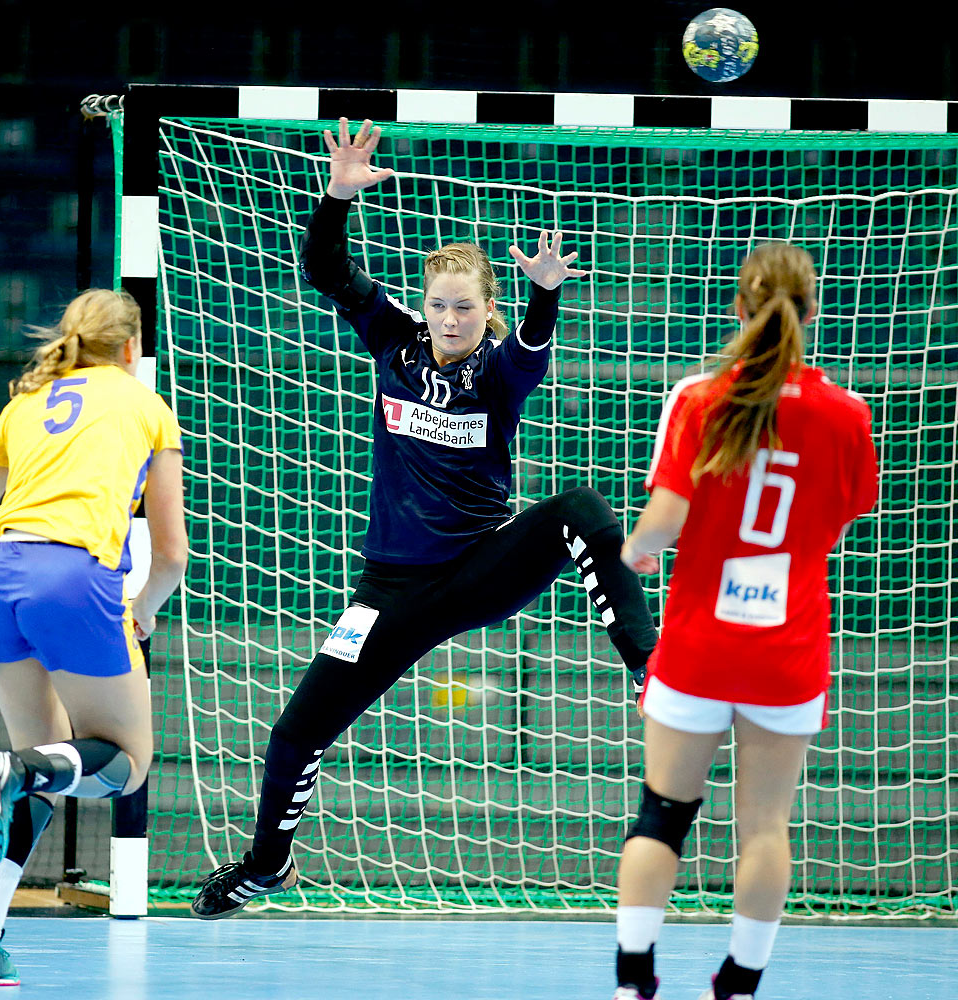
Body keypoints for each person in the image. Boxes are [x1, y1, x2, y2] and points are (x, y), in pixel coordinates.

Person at [189, 118, 659, 918]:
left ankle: (651, 670)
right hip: (392, 591)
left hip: (479, 568)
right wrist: (337, 195)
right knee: (294, 735)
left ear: (485, 309)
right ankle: (266, 866)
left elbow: (534, 345)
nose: (448, 319)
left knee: (579, 509)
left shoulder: (500, 370)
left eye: (464, 308)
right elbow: (327, 271)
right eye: (439, 306)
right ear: (425, 305)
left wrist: (545, 290)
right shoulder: (393, 339)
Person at [609, 243, 879, 1000]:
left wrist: (634, 553)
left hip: (699, 642)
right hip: (785, 648)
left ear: (738, 306)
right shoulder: (847, 414)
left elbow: (663, 520)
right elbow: (837, 519)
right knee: (764, 827)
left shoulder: (700, 397)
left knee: (662, 814)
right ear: (812, 311)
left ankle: (634, 984)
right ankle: (736, 986)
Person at [0, 288, 187, 986]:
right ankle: (15, 773)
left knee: (42, 763)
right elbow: (170, 555)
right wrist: (143, 609)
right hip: (75, 579)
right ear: (132, 349)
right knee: (127, 763)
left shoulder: (24, 403)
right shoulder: (146, 407)